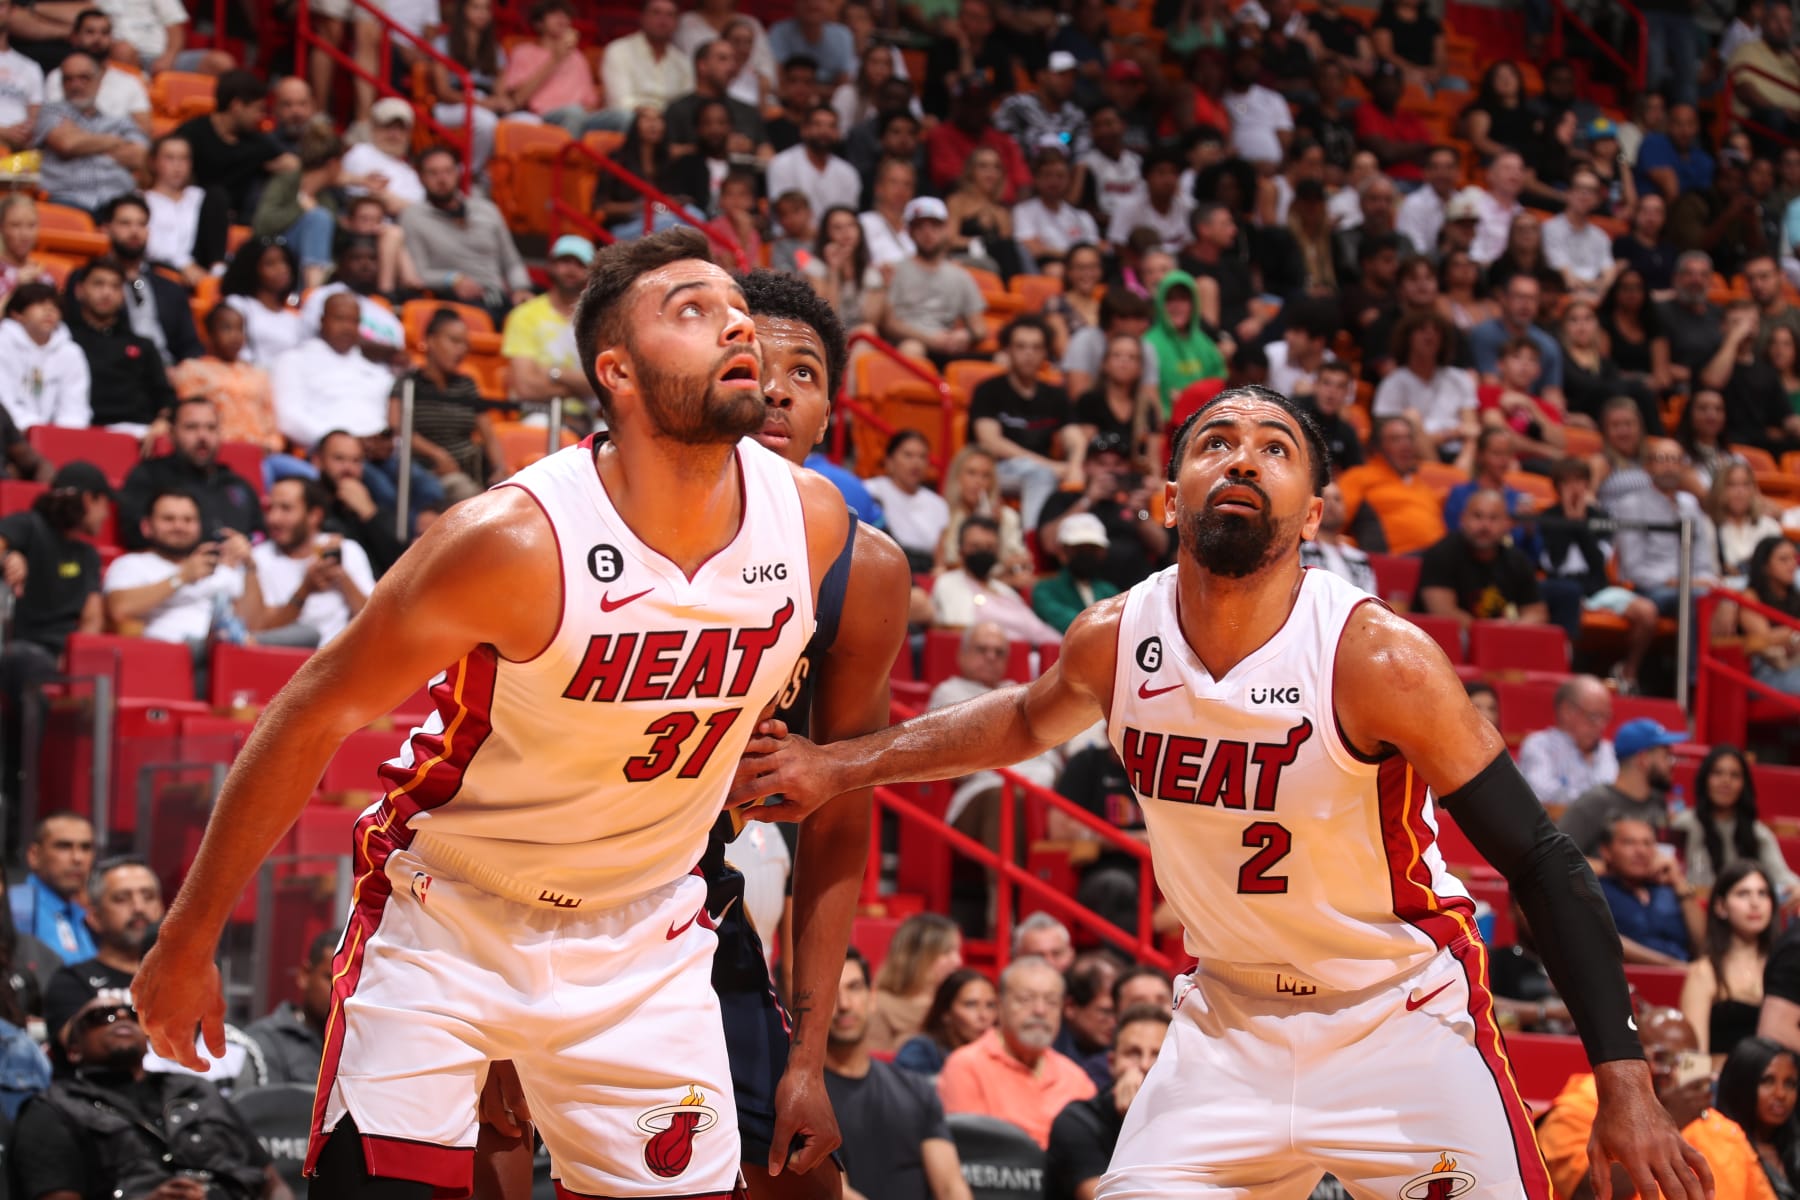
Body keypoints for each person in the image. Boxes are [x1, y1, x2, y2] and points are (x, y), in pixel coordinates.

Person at [731, 383, 1705, 1197]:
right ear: (1167, 498)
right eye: (1216, 443)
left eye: (1275, 449)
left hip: (1398, 1018)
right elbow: (1021, 720)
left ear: (1313, 515)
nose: (1242, 460)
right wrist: (836, 764)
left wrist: (1620, 1078)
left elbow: (1538, 855)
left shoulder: (1376, 660)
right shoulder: (1117, 638)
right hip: (1224, 1025)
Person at [130, 228, 861, 1200]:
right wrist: (186, 941)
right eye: (688, 308)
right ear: (618, 372)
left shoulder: (810, 526)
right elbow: (305, 719)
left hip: (644, 934)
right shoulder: (511, 542)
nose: (734, 321)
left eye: (734, 307)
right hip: (453, 919)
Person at [12, 993, 288, 1199]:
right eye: (101, 1017)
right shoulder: (53, 1110)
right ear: (74, 1049)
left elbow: (272, 1183)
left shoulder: (198, 1090)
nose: (120, 1018)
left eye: (132, 1014)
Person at [1538, 1008, 1766, 1200]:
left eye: (1688, 1061)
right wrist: (1672, 1119)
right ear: (1633, 1058)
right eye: (1663, 1058)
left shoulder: (1718, 1127)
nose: (1674, 1071)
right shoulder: (1580, 1106)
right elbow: (1586, 1192)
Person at [823, 950, 972, 1200]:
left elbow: (950, 1187)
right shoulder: (806, 1098)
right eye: (831, 993)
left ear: (872, 999)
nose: (845, 1004)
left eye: (855, 988)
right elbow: (839, 1192)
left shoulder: (916, 1089)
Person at [103, 487, 304, 653]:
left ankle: (226, 641)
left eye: (188, 520)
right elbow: (119, 609)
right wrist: (182, 576)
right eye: (168, 519)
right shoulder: (131, 564)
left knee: (308, 633)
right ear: (147, 526)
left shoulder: (222, 569)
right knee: (215, 645)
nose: (179, 526)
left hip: (234, 650)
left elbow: (255, 623)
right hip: (176, 651)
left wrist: (249, 565)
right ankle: (221, 642)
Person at [936, 955, 1095, 1149]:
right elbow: (970, 1152)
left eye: (1052, 1002)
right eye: (1025, 999)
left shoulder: (1076, 1079)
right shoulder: (965, 1066)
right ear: (1000, 1006)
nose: (1040, 1010)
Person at [399, 145, 533, 327]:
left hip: (500, 296)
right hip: (456, 301)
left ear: (458, 172)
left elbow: (512, 261)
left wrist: (521, 288)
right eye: (433, 173)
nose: (442, 179)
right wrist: (451, 279)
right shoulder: (413, 217)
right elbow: (419, 274)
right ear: (421, 178)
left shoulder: (487, 209)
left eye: (447, 171)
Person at [1045, 1006, 1170, 1200]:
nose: (1145, 1064)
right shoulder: (1076, 1121)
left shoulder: (1188, 1120)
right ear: (1111, 1063)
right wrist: (1134, 1121)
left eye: (1157, 1055)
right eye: (1133, 1053)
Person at [969, 315, 1080, 528]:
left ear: (1045, 353)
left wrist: (1075, 466)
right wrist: (1051, 466)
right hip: (995, 470)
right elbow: (991, 442)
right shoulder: (989, 390)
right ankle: (1032, 544)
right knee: (1039, 475)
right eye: (1021, 346)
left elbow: (1075, 438)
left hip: (1044, 471)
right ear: (1007, 351)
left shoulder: (1056, 394)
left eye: (1036, 347)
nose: (1029, 354)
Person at [116, 395, 263, 549]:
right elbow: (134, 532)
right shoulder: (148, 476)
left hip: (235, 570)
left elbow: (261, 534)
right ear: (172, 433)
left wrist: (245, 543)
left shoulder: (238, 485)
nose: (202, 436)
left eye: (211, 428)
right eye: (191, 427)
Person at [393, 307, 506, 504]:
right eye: (454, 341)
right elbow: (397, 425)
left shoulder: (466, 385)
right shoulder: (409, 383)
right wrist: (437, 454)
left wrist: (499, 468)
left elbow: (488, 433)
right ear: (430, 340)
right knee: (469, 495)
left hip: (471, 471)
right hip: (429, 472)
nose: (461, 350)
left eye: (465, 344)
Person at [41, 856, 160, 1041]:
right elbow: (75, 1046)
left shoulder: (186, 979)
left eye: (148, 897)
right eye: (121, 899)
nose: (139, 907)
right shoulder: (71, 982)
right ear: (95, 917)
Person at [248, 477, 375, 649]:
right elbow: (263, 632)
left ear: (314, 516)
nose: (273, 518)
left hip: (341, 662)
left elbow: (374, 621)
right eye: (270, 508)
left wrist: (341, 575)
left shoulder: (347, 550)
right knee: (307, 633)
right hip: (285, 662)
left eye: (286, 509)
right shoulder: (258, 558)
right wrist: (305, 588)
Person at [1038, 433, 1169, 594]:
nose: (1110, 470)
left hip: (1138, 589)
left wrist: (1140, 513)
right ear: (1086, 466)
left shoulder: (1134, 500)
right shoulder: (1066, 498)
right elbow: (1050, 544)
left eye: (1118, 464)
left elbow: (1161, 547)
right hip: (1087, 588)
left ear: (1128, 468)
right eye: (1101, 464)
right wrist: (1088, 499)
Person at [269, 292, 395, 456]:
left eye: (354, 321)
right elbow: (289, 418)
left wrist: (388, 443)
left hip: (380, 454)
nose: (347, 328)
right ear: (322, 321)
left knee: (424, 481)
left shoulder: (376, 371)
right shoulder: (293, 360)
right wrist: (345, 443)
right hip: (327, 455)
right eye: (340, 319)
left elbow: (393, 420)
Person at [1612, 438, 1722, 620]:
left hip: (1692, 585)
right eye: (1662, 459)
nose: (1669, 467)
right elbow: (1633, 569)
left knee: (1727, 599)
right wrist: (1678, 582)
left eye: (1675, 460)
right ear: (1648, 466)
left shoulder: (1691, 505)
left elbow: (1704, 562)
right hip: (1650, 589)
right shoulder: (1631, 505)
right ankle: (1690, 650)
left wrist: (1704, 580)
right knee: (1697, 599)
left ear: (1683, 468)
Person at [66, 256, 174, 436]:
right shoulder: (63, 339)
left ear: (123, 296)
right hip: (79, 431)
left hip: (139, 435)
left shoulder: (143, 346)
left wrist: (163, 421)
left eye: (115, 286)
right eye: (98, 284)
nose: (107, 292)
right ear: (79, 290)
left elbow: (166, 399)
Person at [173, 69, 295, 224]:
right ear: (236, 106)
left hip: (239, 219)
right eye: (258, 109)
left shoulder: (256, 141)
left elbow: (292, 164)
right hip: (192, 215)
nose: (261, 117)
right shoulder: (192, 132)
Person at [1681, 862, 1775, 1062]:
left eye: (1763, 893)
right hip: (1721, 1087)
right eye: (1743, 894)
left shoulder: (1786, 968)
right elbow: (1692, 1061)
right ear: (1721, 907)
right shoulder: (1704, 972)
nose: (1755, 902)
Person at [31, 50, 145, 213]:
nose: (76, 85)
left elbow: (140, 157)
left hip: (118, 202)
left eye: (84, 78)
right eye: (68, 79)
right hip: (68, 199)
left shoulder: (118, 120)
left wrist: (81, 140)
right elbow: (67, 144)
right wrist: (114, 141)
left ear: (99, 81)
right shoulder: (51, 112)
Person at [1414, 489, 1546, 627]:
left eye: (1493, 518)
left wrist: (1513, 627)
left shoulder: (1518, 560)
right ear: (1463, 519)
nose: (1485, 525)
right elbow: (1442, 612)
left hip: (1492, 639)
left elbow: (1537, 613)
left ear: (1507, 524)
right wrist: (1489, 631)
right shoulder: (1441, 553)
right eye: (1478, 516)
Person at [880, 197, 988, 365]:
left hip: (950, 346)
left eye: (934, 225)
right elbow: (889, 324)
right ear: (909, 231)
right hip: (909, 342)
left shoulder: (961, 276)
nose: (927, 232)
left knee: (1002, 359)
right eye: (920, 226)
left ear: (945, 229)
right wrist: (930, 339)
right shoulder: (893, 271)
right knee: (912, 348)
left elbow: (979, 327)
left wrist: (966, 334)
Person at [499, 233, 595, 412]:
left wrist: (554, 373)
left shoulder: (597, 320)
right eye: (565, 261)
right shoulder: (524, 315)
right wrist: (581, 387)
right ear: (551, 265)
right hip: (538, 415)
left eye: (580, 264)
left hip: (591, 420)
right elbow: (525, 388)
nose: (571, 270)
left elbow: (602, 386)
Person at [1560, 717, 1685, 855]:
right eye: (1666, 756)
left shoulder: (1658, 802)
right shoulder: (1594, 803)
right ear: (1644, 759)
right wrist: (1611, 869)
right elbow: (1557, 858)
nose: (1672, 764)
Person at [932, 517, 1062, 646]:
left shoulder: (1005, 591)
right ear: (961, 550)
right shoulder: (948, 583)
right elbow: (961, 630)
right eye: (975, 546)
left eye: (989, 547)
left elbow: (1037, 630)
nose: (982, 552)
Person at [1598, 815, 1701, 966]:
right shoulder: (1594, 891)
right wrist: (1669, 965)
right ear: (1606, 851)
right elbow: (1600, 938)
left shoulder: (1671, 892)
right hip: (1625, 981)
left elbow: (1705, 945)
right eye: (1629, 843)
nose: (1640, 851)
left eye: (1647, 843)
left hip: (1684, 977)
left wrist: (1679, 882)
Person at [1337, 416, 1448, 555]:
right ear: (1377, 447)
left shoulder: (1420, 484)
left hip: (1437, 559)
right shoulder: (1359, 477)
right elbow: (1334, 520)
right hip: (1397, 560)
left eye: (1409, 438)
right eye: (1395, 439)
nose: (1405, 445)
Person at [243, 928, 336, 1087]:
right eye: (331, 978)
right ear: (304, 975)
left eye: (352, 984)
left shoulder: (364, 1045)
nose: (342, 992)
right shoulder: (265, 1041)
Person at [1517, 674, 1618, 810]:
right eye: (1594, 716)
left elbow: (1614, 796)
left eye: (1606, 717)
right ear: (1567, 711)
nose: (1601, 725)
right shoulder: (1539, 745)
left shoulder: (1607, 749)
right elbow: (1541, 795)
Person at [7, 812, 95, 965]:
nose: (78, 858)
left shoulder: (86, 916)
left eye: (85, 847)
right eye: (63, 846)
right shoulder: (14, 908)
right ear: (34, 855)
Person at [1715, 1038, 1800, 1197]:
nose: (1781, 1094)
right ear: (1741, 1085)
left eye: (1789, 1084)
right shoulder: (1721, 1150)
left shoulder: (1794, 1146)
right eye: (1767, 1081)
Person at [867, 913, 963, 1054]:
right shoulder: (879, 1006)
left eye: (957, 951)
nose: (958, 961)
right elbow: (875, 1066)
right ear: (916, 956)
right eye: (947, 952)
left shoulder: (956, 1006)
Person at [0, 279, 87, 432]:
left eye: (55, 306)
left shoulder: (71, 352)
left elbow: (75, 409)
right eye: (40, 303)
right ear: (17, 314)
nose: (49, 310)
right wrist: (34, 429)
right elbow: (4, 402)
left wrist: (60, 436)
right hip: (8, 436)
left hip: (55, 438)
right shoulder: (3, 344)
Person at [1143, 270, 1226, 419]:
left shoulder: (1204, 342)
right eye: (1170, 299)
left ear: (1193, 304)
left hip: (1205, 423)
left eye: (1183, 299)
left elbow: (1220, 381)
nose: (1177, 306)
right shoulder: (1149, 343)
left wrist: (1188, 399)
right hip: (1168, 428)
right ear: (1160, 303)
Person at [863, 429, 946, 574]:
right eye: (908, 455)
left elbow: (939, 558)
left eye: (922, 457)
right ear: (889, 461)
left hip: (925, 573)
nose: (916, 463)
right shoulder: (871, 490)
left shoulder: (938, 504)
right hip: (882, 567)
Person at [144, 134, 223, 283]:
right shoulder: (142, 200)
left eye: (183, 158)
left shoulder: (202, 198)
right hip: (154, 272)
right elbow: (147, 244)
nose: (177, 166)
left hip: (199, 273)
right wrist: (183, 265)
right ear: (153, 162)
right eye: (170, 158)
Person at [893, 969, 997, 1077]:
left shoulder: (1000, 1054)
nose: (983, 1015)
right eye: (970, 1004)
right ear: (946, 1012)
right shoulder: (922, 1051)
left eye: (990, 1005)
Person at [1033, 512, 1119, 634]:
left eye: (1092, 549)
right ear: (1062, 552)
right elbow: (1069, 623)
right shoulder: (1046, 590)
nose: (1086, 555)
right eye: (1079, 549)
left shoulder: (1109, 592)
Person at [767, 106, 859, 219]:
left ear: (838, 133)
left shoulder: (848, 173)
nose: (824, 131)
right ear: (804, 130)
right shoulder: (782, 163)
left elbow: (847, 216)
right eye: (817, 125)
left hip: (833, 235)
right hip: (790, 236)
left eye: (831, 126)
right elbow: (785, 215)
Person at [1738, 535, 1800, 696]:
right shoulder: (1751, 596)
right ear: (1765, 566)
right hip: (1764, 672)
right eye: (1783, 559)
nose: (1792, 564)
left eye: (1794, 558)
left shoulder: (1795, 596)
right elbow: (1763, 639)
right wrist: (1794, 635)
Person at [1297, 481, 1374, 594]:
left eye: (1337, 499)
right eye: (1325, 498)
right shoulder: (1298, 551)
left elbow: (1371, 599)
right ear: (1312, 508)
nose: (1331, 504)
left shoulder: (1360, 558)